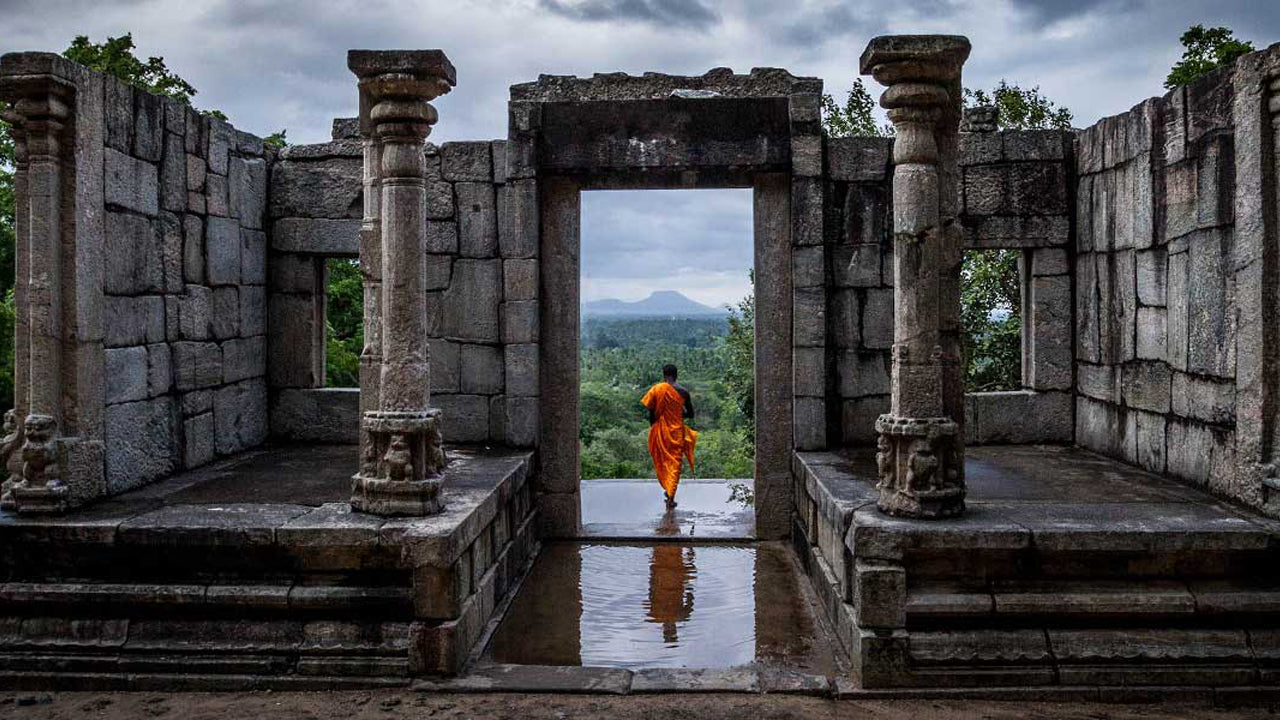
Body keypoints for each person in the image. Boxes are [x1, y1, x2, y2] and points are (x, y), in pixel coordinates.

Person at [640, 364, 698, 508]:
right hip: (677, 432)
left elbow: (651, 414)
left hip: (660, 431)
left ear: (664, 375)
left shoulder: (656, 389)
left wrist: (656, 427)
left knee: (663, 462)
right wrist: (676, 415)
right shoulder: (683, 392)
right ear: (676, 375)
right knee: (675, 464)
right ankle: (671, 493)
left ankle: (669, 493)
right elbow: (690, 414)